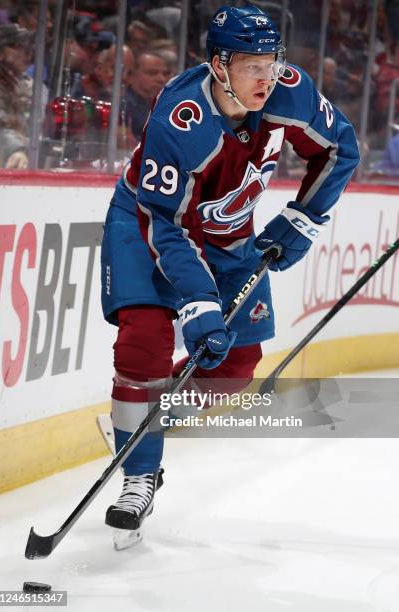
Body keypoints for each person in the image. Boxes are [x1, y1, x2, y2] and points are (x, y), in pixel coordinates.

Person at [101, 5, 359, 542]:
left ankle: (144, 421)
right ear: (219, 66)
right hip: (150, 223)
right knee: (144, 341)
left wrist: (305, 215)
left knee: (236, 367)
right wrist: (198, 304)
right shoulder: (181, 118)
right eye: (251, 66)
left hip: (229, 235)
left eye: (271, 62)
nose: (267, 78)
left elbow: (341, 148)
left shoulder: (289, 90)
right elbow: (167, 227)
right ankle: (140, 476)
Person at [0, 23, 34, 168]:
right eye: (19, 46)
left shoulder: (28, 85)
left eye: (29, 47)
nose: (28, 53)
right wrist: (16, 149)